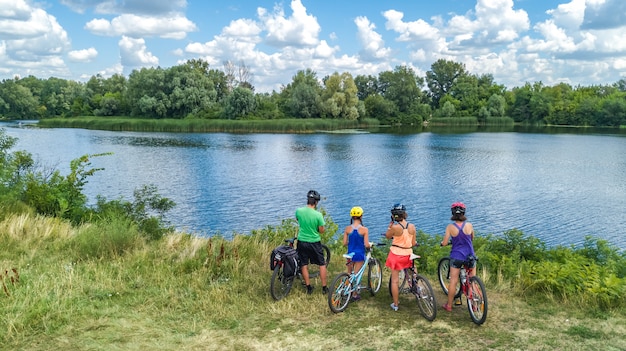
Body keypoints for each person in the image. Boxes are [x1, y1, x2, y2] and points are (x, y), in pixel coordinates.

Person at [440, 202, 475, 312]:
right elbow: (472, 238)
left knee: (453, 281)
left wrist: (442, 243)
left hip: (457, 256)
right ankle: (474, 304)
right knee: (473, 281)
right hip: (470, 255)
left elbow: (445, 242)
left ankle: (449, 305)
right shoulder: (469, 225)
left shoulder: (450, 227)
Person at [384, 203, 416, 311]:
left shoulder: (394, 227)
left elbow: (388, 237)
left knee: (395, 281)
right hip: (408, 254)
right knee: (413, 270)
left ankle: (396, 304)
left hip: (397, 255)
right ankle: (417, 284)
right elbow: (412, 242)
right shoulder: (412, 226)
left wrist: (390, 226)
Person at [295, 190, 328, 294]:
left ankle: (309, 287)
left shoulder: (299, 211)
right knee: (322, 264)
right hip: (314, 242)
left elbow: (298, 220)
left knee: (304, 264)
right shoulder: (318, 215)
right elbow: (321, 230)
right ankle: (324, 288)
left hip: (301, 241)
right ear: (316, 202)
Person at [342, 206, 370, 301]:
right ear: (361, 216)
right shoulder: (364, 230)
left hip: (350, 254)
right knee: (357, 274)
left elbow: (344, 243)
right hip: (359, 254)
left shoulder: (347, 229)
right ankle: (354, 294)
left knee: (349, 273)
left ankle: (345, 289)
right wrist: (369, 246)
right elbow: (366, 245)